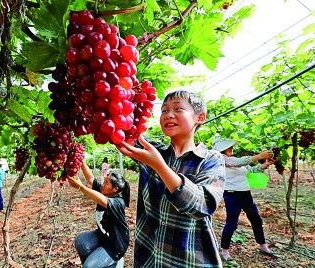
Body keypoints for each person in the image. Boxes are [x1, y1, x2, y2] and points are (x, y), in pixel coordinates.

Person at [116, 90, 226, 267]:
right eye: (164, 110)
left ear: (200, 117)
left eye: (178, 109)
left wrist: (159, 166)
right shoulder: (152, 152)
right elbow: (119, 127)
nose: (168, 115)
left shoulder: (211, 159)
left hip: (189, 261)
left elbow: (203, 205)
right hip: (149, 258)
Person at [212, 138, 276, 261]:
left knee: (256, 219)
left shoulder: (236, 161)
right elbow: (238, 162)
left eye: (231, 147)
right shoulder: (221, 160)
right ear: (221, 149)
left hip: (245, 194)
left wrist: (265, 164)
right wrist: (259, 156)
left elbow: (251, 170)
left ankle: (262, 245)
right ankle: (224, 250)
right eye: (228, 147)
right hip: (232, 194)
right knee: (232, 222)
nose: (231, 149)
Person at [68, 160, 130, 268]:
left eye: (106, 183)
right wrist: (81, 161)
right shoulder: (104, 190)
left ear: (115, 189)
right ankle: (100, 261)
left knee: (89, 266)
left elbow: (103, 201)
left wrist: (80, 187)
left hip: (115, 246)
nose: (103, 184)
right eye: (104, 181)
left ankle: (115, 263)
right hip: (103, 236)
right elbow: (91, 179)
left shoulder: (118, 203)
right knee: (81, 241)